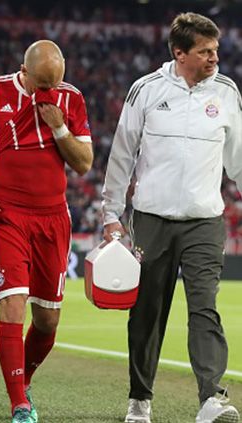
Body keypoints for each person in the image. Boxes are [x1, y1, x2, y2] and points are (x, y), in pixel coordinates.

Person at [102, 12, 241, 423]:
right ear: (180, 54)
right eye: (206, 51)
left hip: (204, 221)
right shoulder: (144, 91)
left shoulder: (228, 93)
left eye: (216, 49)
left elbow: (238, 161)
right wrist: (111, 213)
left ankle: (211, 398)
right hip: (151, 219)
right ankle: (140, 399)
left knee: (205, 308)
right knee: (147, 310)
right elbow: (122, 155)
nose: (215, 57)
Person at [0, 40, 93, 423]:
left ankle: (24, 382)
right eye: (41, 83)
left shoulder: (70, 99)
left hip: (54, 218)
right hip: (8, 215)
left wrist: (58, 128)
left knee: (47, 321)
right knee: (13, 306)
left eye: (54, 83)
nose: (47, 92)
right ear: (24, 70)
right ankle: (19, 404)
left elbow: (84, 164)